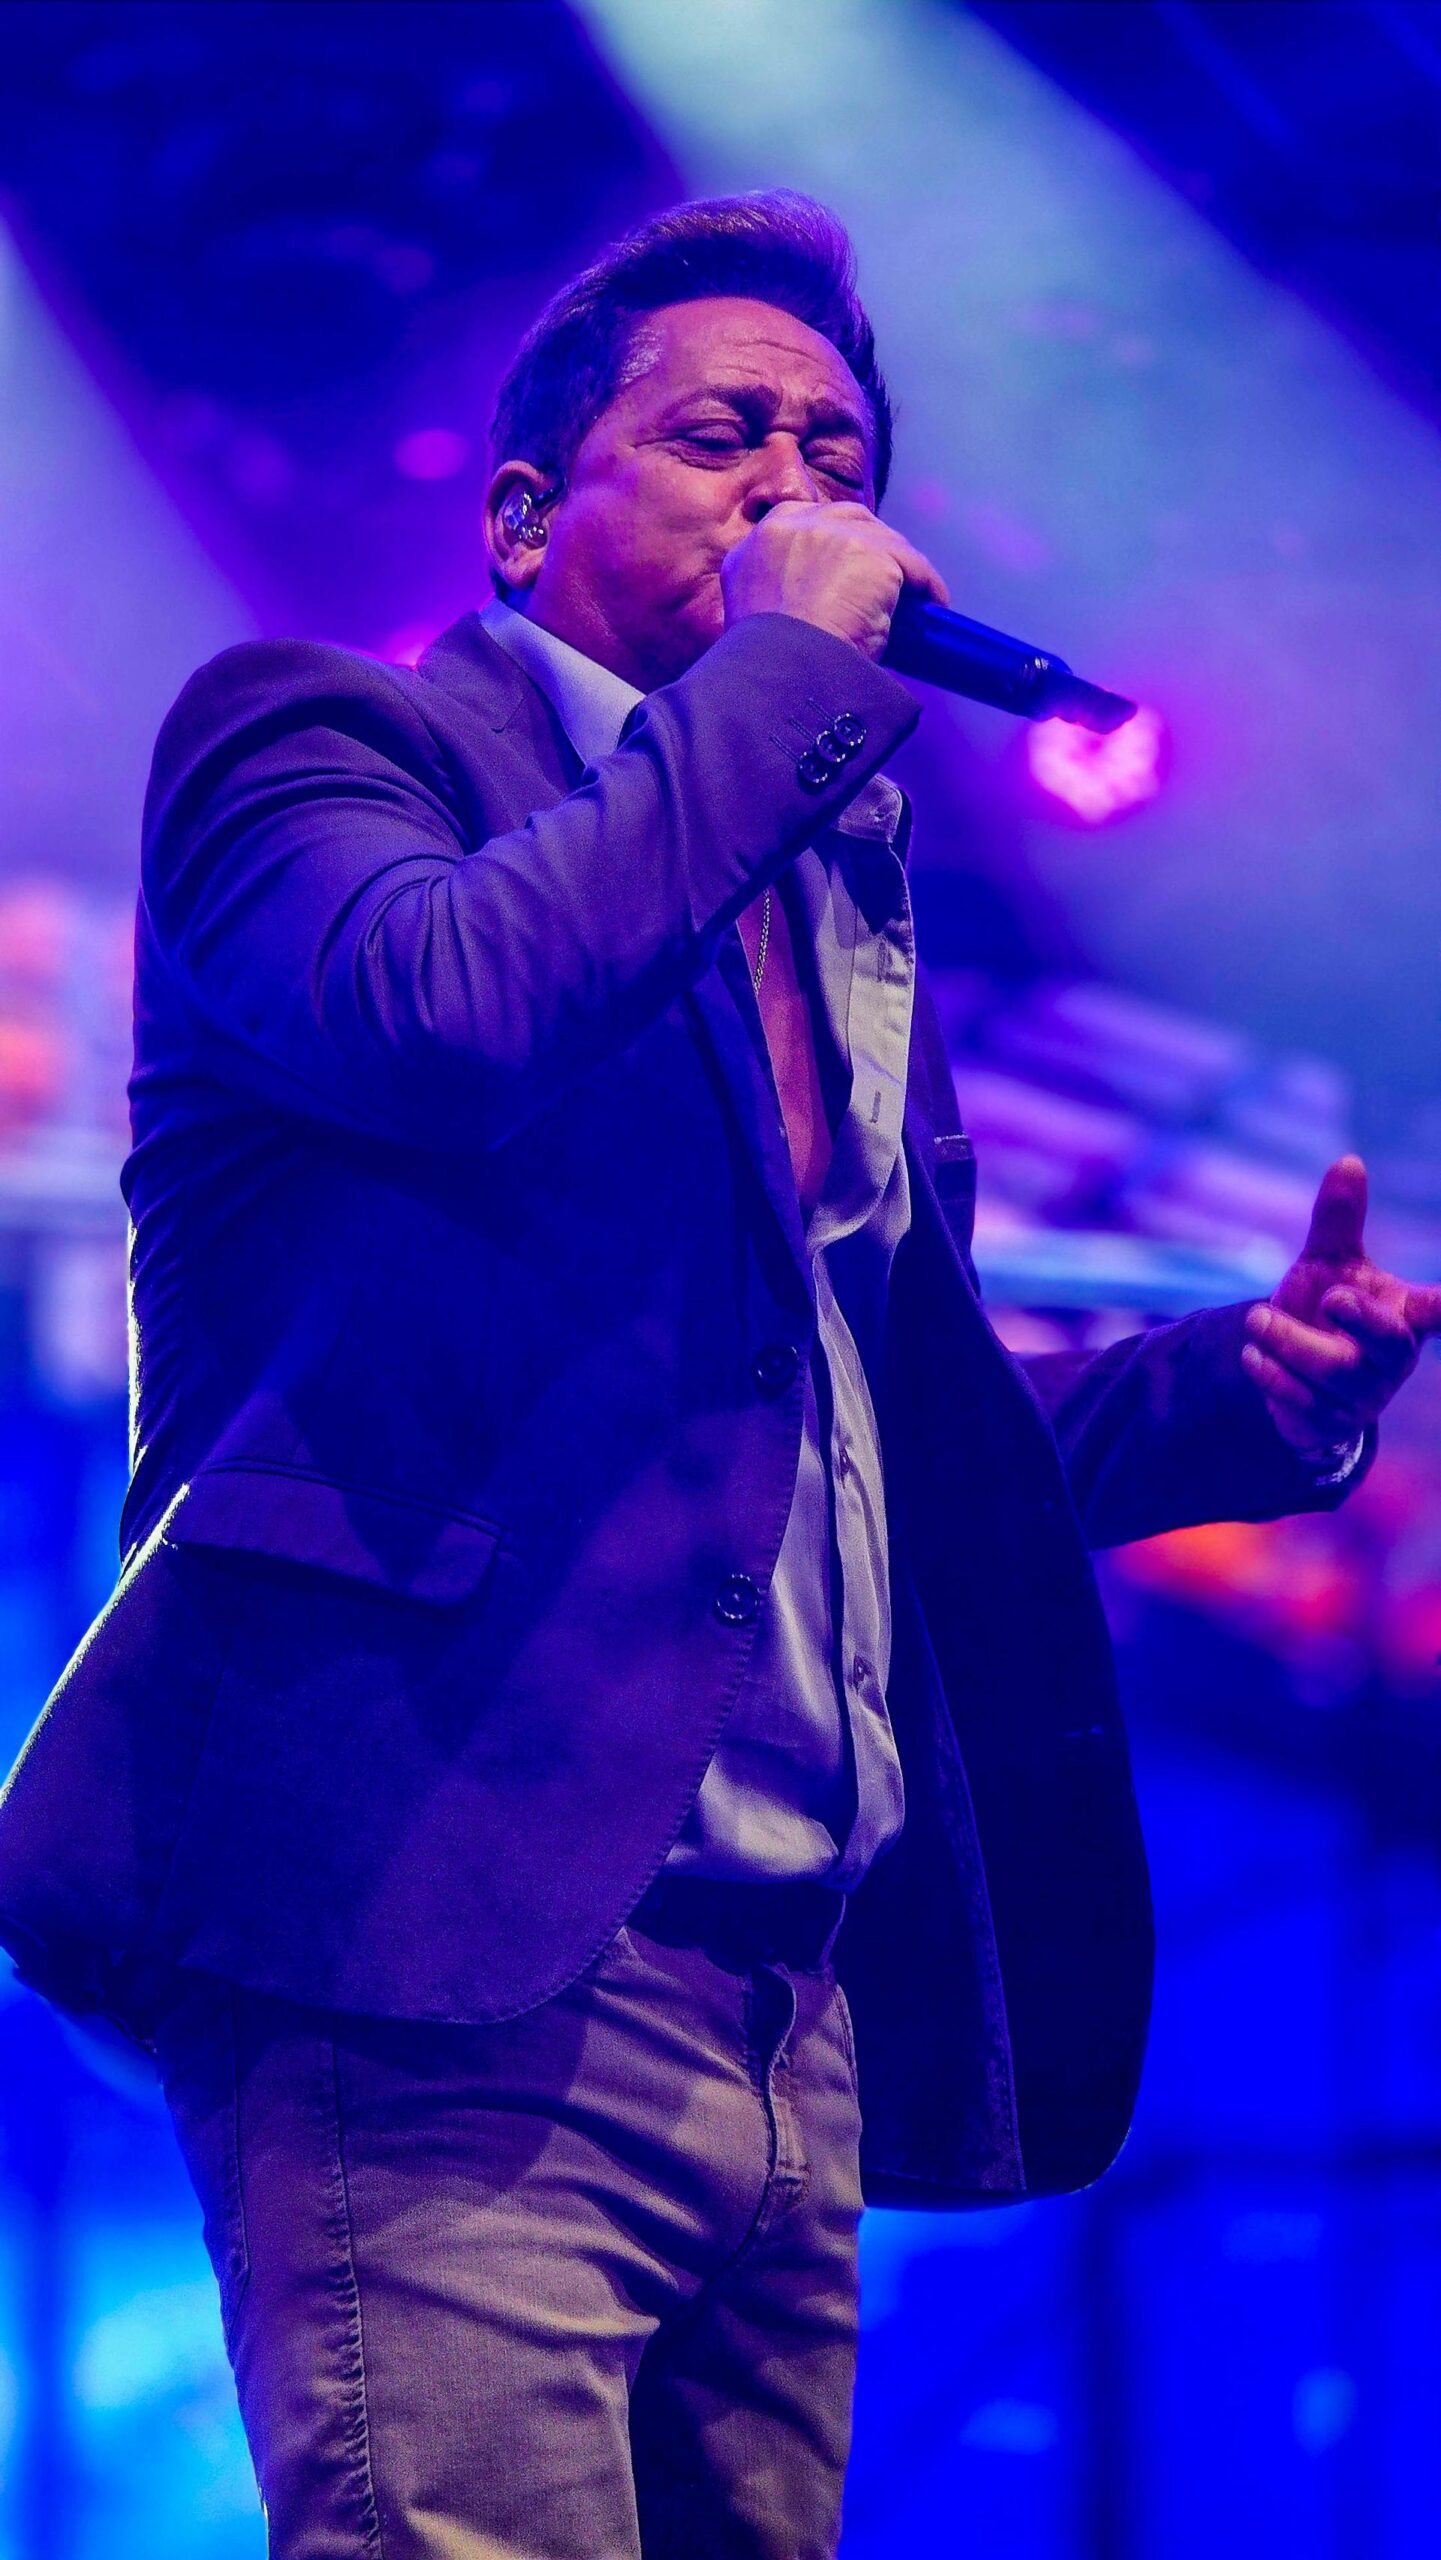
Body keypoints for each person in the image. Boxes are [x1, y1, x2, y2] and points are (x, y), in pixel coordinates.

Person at [0, 190, 1434, 2560]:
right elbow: (441, 1012)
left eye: (836, 454)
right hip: (433, 1938)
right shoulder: (324, 745)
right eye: (722, 437)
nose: (794, 485)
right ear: (522, 517)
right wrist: (773, 680)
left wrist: (1240, 1393)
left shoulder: (812, 898)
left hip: (784, 1997)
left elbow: (857, 1439)